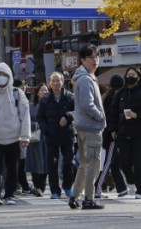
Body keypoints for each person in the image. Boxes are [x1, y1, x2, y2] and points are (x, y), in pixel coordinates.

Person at [0, 63, 30, 206]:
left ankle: (10, 194)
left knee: (13, 168)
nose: (1, 78)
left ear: (9, 77)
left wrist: (25, 136)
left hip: (14, 138)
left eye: (4, 75)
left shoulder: (17, 93)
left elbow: (25, 116)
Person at [69, 44, 106, 210]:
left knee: (84, 164)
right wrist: (100, 116)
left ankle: (75, 196)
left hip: (84, 127)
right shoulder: (85, 79)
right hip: (90, 128)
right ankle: (89, 199)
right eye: (91, 57)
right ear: (83, 60)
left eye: (97, 57)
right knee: (92, 165)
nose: (95, 60)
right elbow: (87, 104)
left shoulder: (84, 76)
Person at [37, 72, 76, 200]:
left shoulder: (70, 97)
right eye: (53, 81)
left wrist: (68, 116)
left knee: (69, 162)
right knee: (52, 164)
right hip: (51, 136)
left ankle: (68, 186)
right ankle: (55, 190)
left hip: (68, 135)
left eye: (58, 80)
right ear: (49, 83)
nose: (56, 83)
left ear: (63, 82)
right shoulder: (44, 100)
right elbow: (40, 118)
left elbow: (78, 112)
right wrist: (46, 130)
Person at [108, 67, 141, 199]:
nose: (130, 77)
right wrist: (113, 129)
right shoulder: (120, 93)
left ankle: (139, 190)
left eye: (133, 75)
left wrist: (137, 115)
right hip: (122, 132)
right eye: (128, 75)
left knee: (138, 163)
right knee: (124, 162)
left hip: (138, 133)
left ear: (139, 77)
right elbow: (113, 112)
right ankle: (132, 180)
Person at [99, 74, 128, 198]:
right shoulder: (115, 98)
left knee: (114, 162)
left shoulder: (106, 97)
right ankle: (97, 188)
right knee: (108, 162)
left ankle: (122, 189)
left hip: (106, 133)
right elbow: (113, 117)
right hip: (111, 134)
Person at [23, 83, 49, 197]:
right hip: (34, 138)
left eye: (46, 90)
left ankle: (42, 186)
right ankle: (36, 185)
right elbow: (26, 120)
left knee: (46, 162)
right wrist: (38, 125)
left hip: (47, 137)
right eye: (42, 90)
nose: (44, 92)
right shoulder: (30, 106)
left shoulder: (50, 105)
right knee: (34, 162)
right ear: (37, 92)